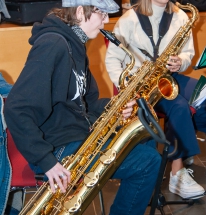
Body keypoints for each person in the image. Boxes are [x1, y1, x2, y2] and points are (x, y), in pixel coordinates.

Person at [4, 0, 162, 214]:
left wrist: (115, 107)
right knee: (148, 162)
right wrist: (47, 161)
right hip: (56, 148)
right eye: (102, 14)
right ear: (80, 12)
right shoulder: (53, 45)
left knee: (147, 138)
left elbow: (86, 102)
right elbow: (16, 108)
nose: (106, 21)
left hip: (74, 134)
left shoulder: (76, 45)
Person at [105, 0, 206, 199]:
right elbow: (112, 59)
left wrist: (180, 62)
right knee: (179, 106)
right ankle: (177, 174)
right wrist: (128, 86)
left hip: (169, 77)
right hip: (143, 87)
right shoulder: (128, 20)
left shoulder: (181, 16)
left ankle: (182, 142)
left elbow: (188, 53)